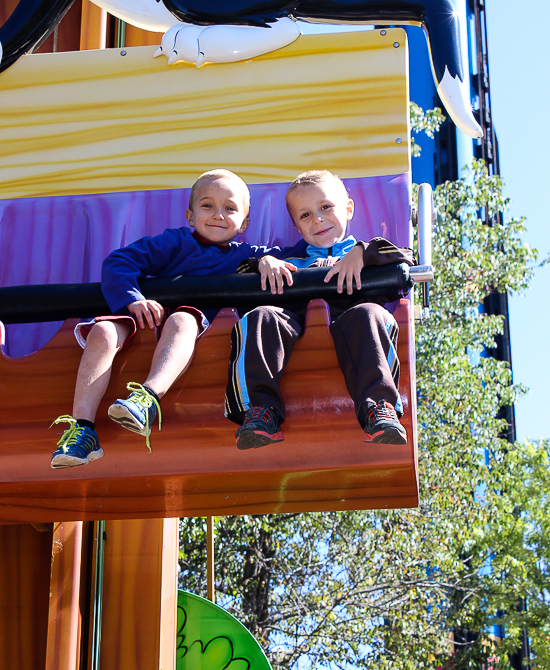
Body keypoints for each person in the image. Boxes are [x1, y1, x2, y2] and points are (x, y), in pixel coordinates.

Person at [50, 169, 281, 468]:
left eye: (230, 208)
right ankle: (82, 429)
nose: (218, 215)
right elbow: (120, 261)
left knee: (183, 320)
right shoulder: (176, 241)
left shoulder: (246, 255)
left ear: (244, 224)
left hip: (184, 326)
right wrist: (134, 300)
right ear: (190, 214)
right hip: (149, 318)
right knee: (103, 331)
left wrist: (267, 261)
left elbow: (287, 256)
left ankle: (147, 399)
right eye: (207, 205)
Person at [224, 169, 415, 450]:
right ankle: (259, 410)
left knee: (370, 315)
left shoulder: (369, 255)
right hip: (294, 323)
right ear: (297, 227)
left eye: (326, 207)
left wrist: (362, 252)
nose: (318, 219)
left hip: (353, 325)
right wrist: (263, 262)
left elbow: (405, 259)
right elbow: (242, 273)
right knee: (259, 317)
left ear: (348, 209)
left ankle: (379, 407)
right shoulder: (289, 259)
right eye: (306, 215)